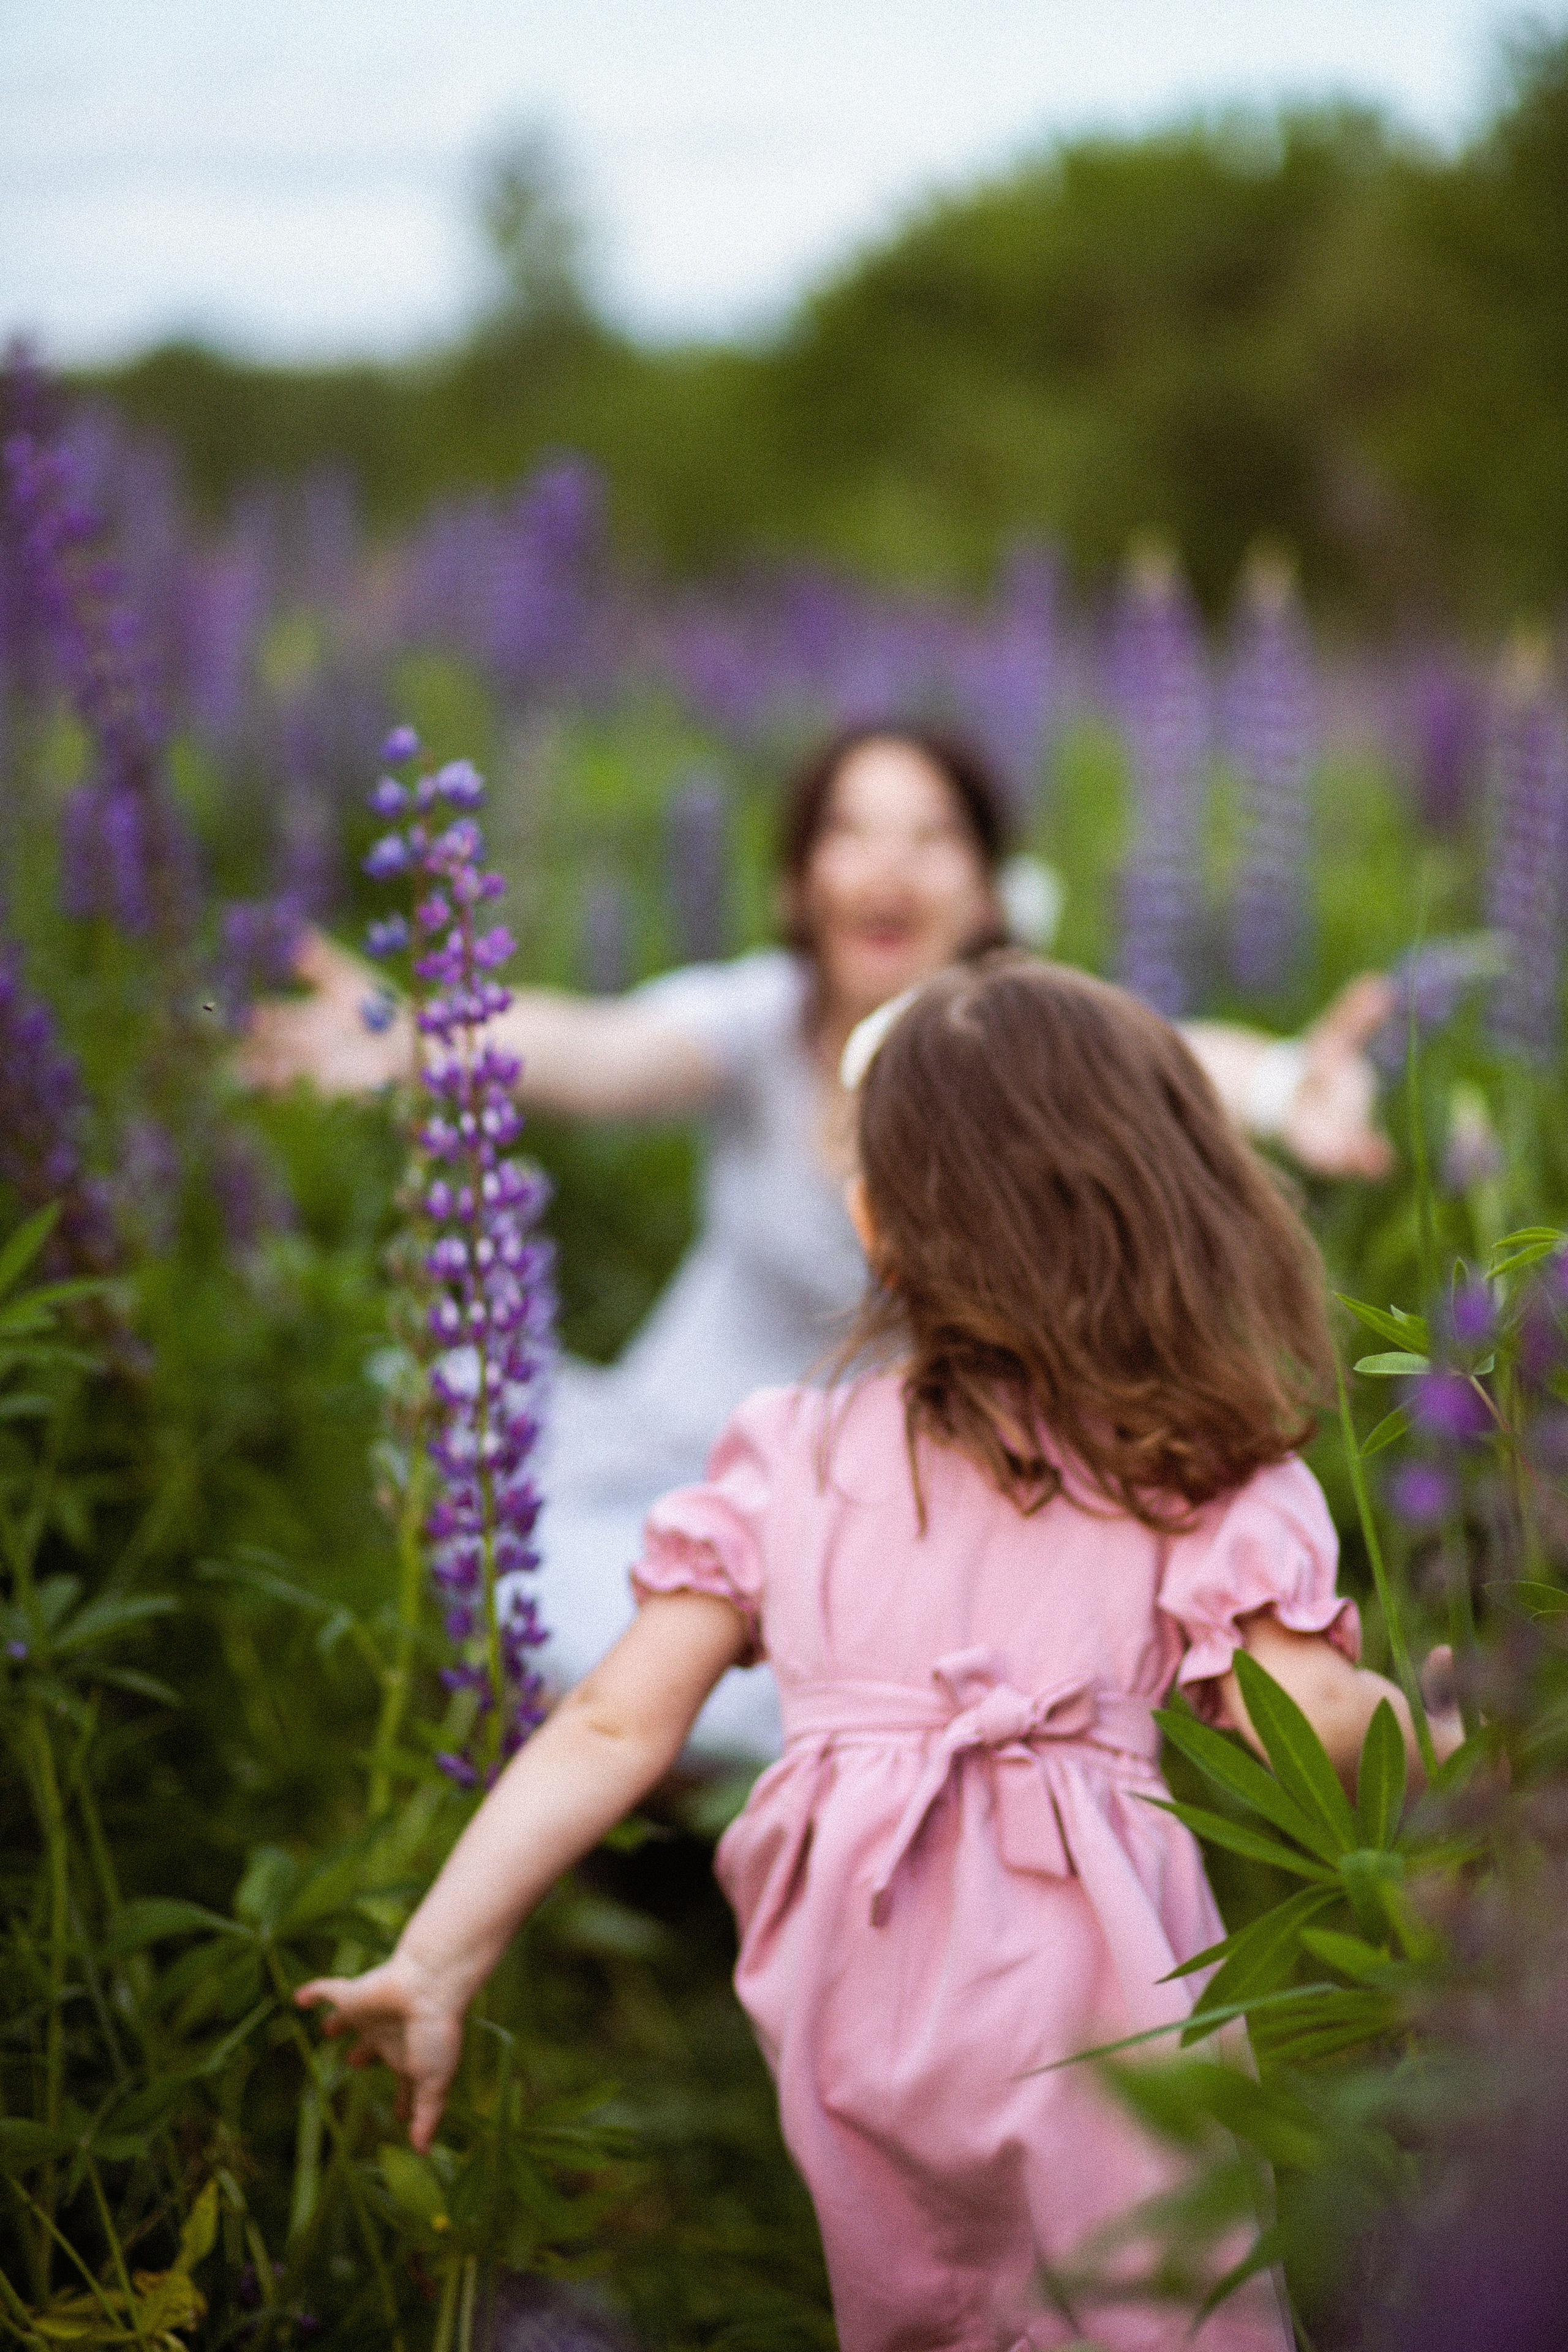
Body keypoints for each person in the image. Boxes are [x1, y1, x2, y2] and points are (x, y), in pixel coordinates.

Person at [298, 957, 1460, 2352]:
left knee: (924, 2314)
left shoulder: (785, 1456)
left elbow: (613, 1723)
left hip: (850, 2007)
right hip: (1091, 2002)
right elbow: (1304, 1722)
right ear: (1178, 1199)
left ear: (872, 1226)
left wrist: (434, 1958)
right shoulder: (1192, 1466)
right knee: (1163, 2307)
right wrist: (1444, 1739)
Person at [245, 724, 1395, 1758]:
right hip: (687, 1441)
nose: (889, 866)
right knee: (544, 1567)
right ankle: (630, 1830)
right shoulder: (761, 1019)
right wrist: (422, 1036)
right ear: (801, 882)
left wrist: (1290, 1084)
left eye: (933, 836)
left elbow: (1177, 1057)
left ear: (990, 890)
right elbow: (598, 1044)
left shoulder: (1022, 1048)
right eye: (850, 832)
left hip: (913, 1491)